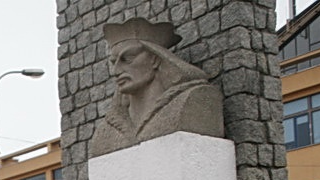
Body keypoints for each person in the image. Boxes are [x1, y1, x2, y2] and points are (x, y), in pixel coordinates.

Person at [90, 17, 224, 158]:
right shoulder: (106, 130)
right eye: (113, 62)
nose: (116, 71)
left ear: (155, 59)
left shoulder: (193, 102)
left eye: (127, 59)